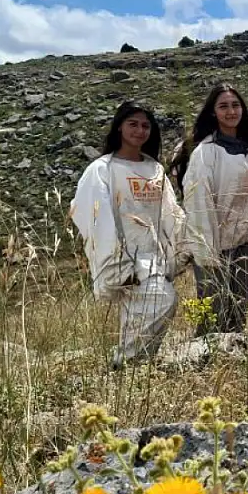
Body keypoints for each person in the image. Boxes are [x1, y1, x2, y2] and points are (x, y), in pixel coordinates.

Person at [70, 102, 185, 368]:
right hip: (127, 257)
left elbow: (169, 211)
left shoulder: (154, 169)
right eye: (133, 123)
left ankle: (131, 368)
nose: (140, 130)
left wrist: (179, 249)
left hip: (154, 255)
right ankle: (127, 363)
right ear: (119, 126)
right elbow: (93, 213)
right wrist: (116, 262)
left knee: (144, 312)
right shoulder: (102, 169)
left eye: (145, 125)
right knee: (161, 300)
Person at [171, 83, 248, 336]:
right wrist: (208, 253)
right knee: (213, 314)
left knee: (240, 310)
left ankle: (232, 364)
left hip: (245, 242)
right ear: (213, 112)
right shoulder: (205, 153)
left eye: (235, 105)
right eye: (223, 106)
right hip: (215, 246)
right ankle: (203, 365)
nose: (231, 111)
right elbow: (199, 204)